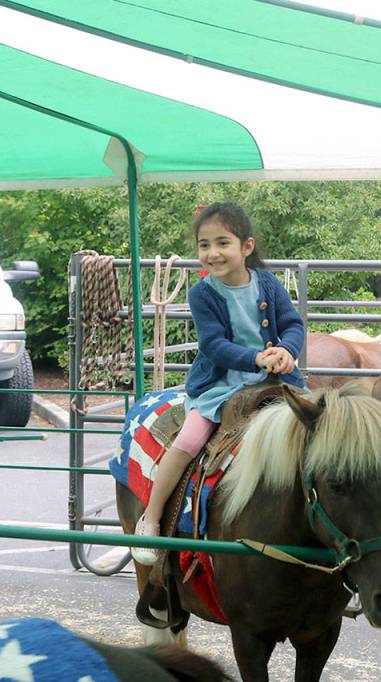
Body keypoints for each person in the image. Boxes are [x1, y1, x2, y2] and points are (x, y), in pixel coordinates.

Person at [132, 202, 305, 566]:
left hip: (275, 378)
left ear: (247, 247)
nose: (212, 253)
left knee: (316, 428)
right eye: (204, 244)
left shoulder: (269, 284)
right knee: (189, 440)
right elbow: (213, 345)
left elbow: (293, 324)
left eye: (222, 243)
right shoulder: (203, 293)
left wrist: (286, 351)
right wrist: (256, 357)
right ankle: (151, 516)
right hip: (222, 384)